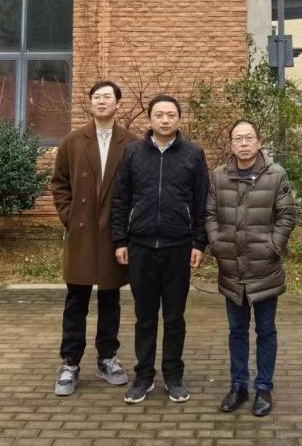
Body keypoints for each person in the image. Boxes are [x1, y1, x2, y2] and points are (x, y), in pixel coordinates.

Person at [111, 94, 209, 404]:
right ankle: (143, 376)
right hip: (140, 247)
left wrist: (199, 242)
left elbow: (201, 201)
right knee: (145, 317)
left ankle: (173, 375)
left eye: (171, 115)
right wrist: (120, 240)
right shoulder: (133, 153)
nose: (165, 120)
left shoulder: (194, 154)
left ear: (179, 119)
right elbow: (121, 198)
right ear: (150, 119)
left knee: (175, 317)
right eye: (159, 115)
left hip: (178, 247)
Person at [49, 80, 138, 396]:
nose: (102, 101)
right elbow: (59, 183)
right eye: (97, 97)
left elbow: (138, 187)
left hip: (114, 233)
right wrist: (70, 216)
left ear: (117, 104)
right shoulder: (73, 141)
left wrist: (127, 226)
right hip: (83, 232)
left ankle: (107, 357)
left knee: (110, 300)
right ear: (90, 103)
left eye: (107, 97)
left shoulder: (131, 143)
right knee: (76, 300)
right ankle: (70, 362)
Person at [206, 118, 297, 417]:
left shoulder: (275, 174)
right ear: (231, 144)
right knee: (237, 330)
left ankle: (264, 388)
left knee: (266, 330)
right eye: (238, 138)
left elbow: (286, 216)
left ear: (259, 142)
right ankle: (238, 386)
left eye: (249, 138)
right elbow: (209, 214)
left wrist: (273, 247)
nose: (243, 143)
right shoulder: (218, 176)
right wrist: (217, 244)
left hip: (264, 267)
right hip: (231, 267)